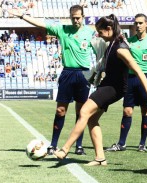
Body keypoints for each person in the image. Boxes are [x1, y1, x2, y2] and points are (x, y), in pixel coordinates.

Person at [54, 14, 147, 165]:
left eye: (100, 32)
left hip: (113, 88)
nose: (99, 35)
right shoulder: (112, 43)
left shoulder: (121, 48)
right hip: (108, 84)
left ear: (109, 29)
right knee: (91, 118)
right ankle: (100, 157)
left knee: (83, 112)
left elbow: (138, 71)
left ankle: (64, 149)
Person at [8, 5, 104, 156]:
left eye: (78, 18)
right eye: (73, 18)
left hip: (84, 74)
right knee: (60, 110)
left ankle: (79, 146)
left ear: (83, 16)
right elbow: (41, 24)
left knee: (81, 112)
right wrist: (22, 16)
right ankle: (53, 145)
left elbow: (103, 48)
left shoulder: (90, 32)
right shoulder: (62, 30)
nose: (75, 20)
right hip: (67, 73)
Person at [105, 13, 147, 152]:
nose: (138, 25)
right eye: (136, 23)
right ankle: (122, 143)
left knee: (145, 110)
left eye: (141, 23)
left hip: (146, 77)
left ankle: (142, 144)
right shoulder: (129, 41)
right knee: (127, 111)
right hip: (130, 79)